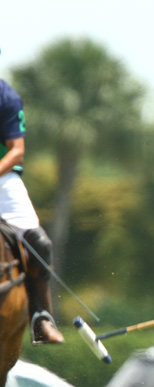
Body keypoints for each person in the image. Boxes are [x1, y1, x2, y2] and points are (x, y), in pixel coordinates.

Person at [0, 76, 64, 344]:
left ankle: (41, 317)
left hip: (2, 179)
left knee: (39, 243)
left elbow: (16, 151)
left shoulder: (6, 96)